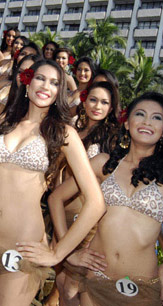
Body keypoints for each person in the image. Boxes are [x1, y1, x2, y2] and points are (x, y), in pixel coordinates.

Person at [49, 92, 163, 306]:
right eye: (140, 114)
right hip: (94, 280)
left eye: (157, 118)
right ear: (127, 123)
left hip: (140, 289)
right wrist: (68, 252)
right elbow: (56, 198)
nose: (147, 121)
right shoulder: (103, 164)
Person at [0, 59, 105, 306]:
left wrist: (59, 253)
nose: (45, 86)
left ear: (60, 92)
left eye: (54, 82)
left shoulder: (63, 133)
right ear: (28, 83)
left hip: (23, 249)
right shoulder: (2, 122)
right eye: (40, 78)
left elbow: (96, 202)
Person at [54, 80, 120, 306]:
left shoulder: (113, 139)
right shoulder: (73, 133)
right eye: (93, 100)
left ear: (111, 108)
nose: (97, 106)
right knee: (61, 283)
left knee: (74, 287)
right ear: (84, 101)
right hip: (61, 211)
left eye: (104, 102)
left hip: (88, 221)